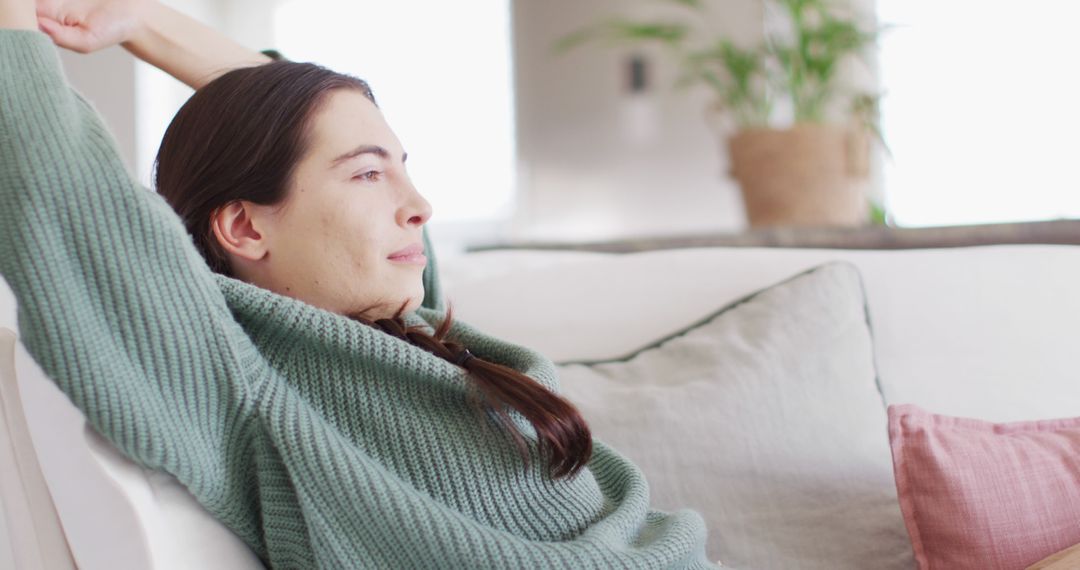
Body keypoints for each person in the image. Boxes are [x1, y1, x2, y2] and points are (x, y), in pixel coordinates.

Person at [0, 0, 720, 567]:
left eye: (403, 168)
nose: (420, 206)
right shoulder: (243, 383)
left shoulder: (402, 329)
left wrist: (142, 20)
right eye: (370, 174)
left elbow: (285, 111)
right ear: (246, 230)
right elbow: (60, 194)